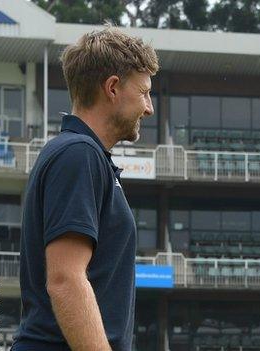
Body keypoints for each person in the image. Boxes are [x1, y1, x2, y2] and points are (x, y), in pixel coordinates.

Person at [12, 26, 158, 351]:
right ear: (113, 88)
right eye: (144, 92)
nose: (149, 108)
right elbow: (66, 280)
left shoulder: (84, 156)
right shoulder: (79, 154)